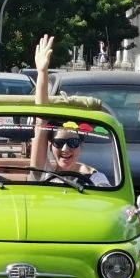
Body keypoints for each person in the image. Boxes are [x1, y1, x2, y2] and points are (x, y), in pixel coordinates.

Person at [30, 34, 110, 186]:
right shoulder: (43, 174)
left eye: (73, 142)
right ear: (50, 145)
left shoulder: (96, 180)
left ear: (81, 145)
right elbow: (41, 120)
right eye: (58, 143)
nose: (65, 149)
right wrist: (42, 72)